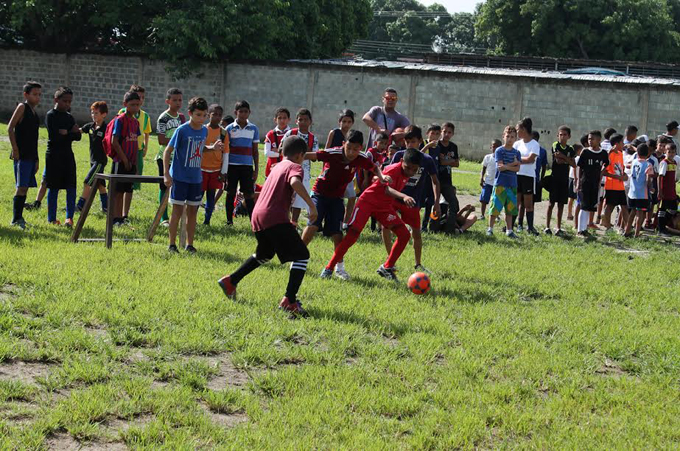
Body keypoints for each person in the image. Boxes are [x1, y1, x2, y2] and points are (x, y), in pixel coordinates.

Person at [217, 136, 317, 318]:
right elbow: (295, 182)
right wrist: (311, 205)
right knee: (302, 255)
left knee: (265, 254)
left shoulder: (277, 166)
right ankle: (290, 300)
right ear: (300, 155)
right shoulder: (295, 167)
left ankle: (231, 281)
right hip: (273, 217)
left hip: (258, 216)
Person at [323, 148, 422, 282]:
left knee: (404, 235)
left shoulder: (408, 173)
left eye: (414, 169)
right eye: (408, 168)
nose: (410, 172)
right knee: (352, 235)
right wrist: (404, 196)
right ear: (401, 161)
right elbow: (386, 188)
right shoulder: (393, 169)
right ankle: (329, 268)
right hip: (367, 202)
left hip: (384, 207)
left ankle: (387, 267)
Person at [302, 130, 380, 281]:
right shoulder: (333, 153)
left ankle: (339, 268)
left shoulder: (361, 158)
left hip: (337, 198)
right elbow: (308, 155)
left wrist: (382, 177)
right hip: (319, 194)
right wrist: (289, 159)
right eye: (348, 148)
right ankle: (297, 257)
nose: (351, 152)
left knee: (338, 234)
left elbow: (375, 167)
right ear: (343, 144)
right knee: (313, 225)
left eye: (355, 149)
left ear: (361, 148)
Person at [164, 97, 218, 253]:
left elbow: (200, 148)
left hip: (195, 178)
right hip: (180, 178)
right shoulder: (182, 130)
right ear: (190, 113)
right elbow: (168, 151)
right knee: (177, 210)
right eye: (198, 115)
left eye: (204, 115)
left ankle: (189, 244)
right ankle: (172, 244)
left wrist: (212, 147)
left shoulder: (204, 130)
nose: (201, 118)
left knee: (193, 211)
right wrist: (166, 174)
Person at [386, 125, 440, 273]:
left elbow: (435, 181)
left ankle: (418, 264)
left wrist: (436, 202)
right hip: (396, 199)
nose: (410, 145)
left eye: (414, 142)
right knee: (386, 227)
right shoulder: (399, 156)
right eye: (407, 142)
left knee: (416, 233)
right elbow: (388, 175)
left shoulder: (427, 160)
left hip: (413, 202)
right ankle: (390, 261)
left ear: (420, 141)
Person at [44, 87, 82, 226]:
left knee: (71, 187)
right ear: (56, 100)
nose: (67, 104)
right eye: (64, 101)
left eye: (69, 102)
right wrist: (69, 134)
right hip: (53, 155)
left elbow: (78, 136)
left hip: (68, 155)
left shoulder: (69, 117)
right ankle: (52, 218)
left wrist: (67, 133)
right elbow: (55, 137)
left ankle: (69, 218)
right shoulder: (50, 115)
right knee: (53, 187)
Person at [8, 81, 42, 229]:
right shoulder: (22, 107)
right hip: (21, 155)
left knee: (26, 187)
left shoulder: (34, 113)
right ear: (26, 95)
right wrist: (15, 149)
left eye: (39, 95)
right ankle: (15, 219)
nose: (37, 97)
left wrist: (36, 159)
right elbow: (10, 128)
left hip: (31, 155)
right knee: (21, 187)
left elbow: (34, 138)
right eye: (34, 94)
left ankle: (20, 217)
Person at [117, 85, 152, 223]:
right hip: (124, 151)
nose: (140, 100)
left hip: (136, 152)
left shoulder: (145, 116)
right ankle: (116, 215)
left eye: (142, 98)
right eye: (137, 97)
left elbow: (147, 132)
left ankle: (125, 214)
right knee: (119, 184)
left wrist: (145, 148)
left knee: (131, 184)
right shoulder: (122, 113)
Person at [224, 100, 259, 225]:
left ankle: (253, 221)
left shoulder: (253, 129)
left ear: (249, 112)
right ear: (235, 112)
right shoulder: (229, 128)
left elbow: (255, 151)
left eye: (246, 112)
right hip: (232, 166)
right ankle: (229, 221)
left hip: (247, 167)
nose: (243, 114)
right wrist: (224, 170)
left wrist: (256, 170)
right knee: (231, 192)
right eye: (241, 112)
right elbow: (226, 151)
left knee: (249, 194)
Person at [110, 91, 141, 227]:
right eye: (132, 105)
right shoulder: (120, 120)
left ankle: (121, 218)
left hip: (131, 162)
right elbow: (114, 142)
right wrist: (124, 159)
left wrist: (133, 162)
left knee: (126, 189)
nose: (135, 107)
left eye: (137, 105)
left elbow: (134, 141)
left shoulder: (135, 122)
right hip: (120, 161)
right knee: (117, 191)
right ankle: (114, 218)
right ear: (125, 104)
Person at [156, 88, 186, 226]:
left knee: (177, 187)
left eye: (180, 100)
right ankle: (163, 217)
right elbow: (161, 140)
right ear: (167, 101)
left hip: (178, 158)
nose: (178, 103)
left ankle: (176, 216)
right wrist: (177, 142)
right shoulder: (163, 118)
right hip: (165, 157)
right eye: (174, 100)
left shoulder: (181, 118)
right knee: (164, 186)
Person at [283, 109, 318, 226]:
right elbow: (281, 148)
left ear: (310, 122)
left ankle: (294, 222)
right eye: (300, 119)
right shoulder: (290, 134)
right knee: (287, 195)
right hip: (288, 169)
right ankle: (284, 220)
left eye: (306, 120)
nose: (303, 122)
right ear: (296, 121)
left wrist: (304, 152)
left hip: (304, 172)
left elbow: (314, 157)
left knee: (298, 198)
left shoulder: (313, 138)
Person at [487, 126, 521, 238]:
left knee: (510, 209)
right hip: (500, 184)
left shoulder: (517, 152)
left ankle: (509, 230)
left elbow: (517, 169)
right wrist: (512, 164)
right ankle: (490, 229)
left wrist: (509, 166)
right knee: (495, 207)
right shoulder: (499, 150)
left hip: (512, 184)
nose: (510, 139)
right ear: (503, 136)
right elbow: (500, 167)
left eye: (512, 137)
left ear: (515, 138)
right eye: (508, 136)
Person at [76, 101, 109, 214]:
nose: (93, 115)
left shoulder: (106, 128)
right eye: (92, 113)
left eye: (96, 113)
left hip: (99, 162)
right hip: (92, 160)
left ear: (104, 114)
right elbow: (79, 131)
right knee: (100, 185)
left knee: (87, 182)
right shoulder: (90, 126)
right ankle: (106, 208)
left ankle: (80, 206)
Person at [575, 131, 609, 239]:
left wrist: (601, 173)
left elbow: (606, 164)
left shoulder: (603, 153)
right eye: (589, 139)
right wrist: (578, 182)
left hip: (595, 184)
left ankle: (585, 229)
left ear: (599, 140)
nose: (590, 141)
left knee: (590, 207)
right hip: (585, 183)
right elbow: (580, 167)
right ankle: (580, 230)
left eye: (592, 139)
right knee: (583, 207)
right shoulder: (585, 152)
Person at [201, 104, 229, 225]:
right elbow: (198, 148)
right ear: (208, 115)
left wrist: (223, 172)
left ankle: (207, 220)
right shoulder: (202, 130)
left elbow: (226, 153)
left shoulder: (223, 133)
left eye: (219, 115)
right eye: (214, 114)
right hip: (201, 169)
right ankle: (192, 217)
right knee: (198, 195)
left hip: (216, 169)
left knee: (211, 196)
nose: (217, 117)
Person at [545, 126, 576, 236]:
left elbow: (573, 164)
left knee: (561, 204)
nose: (562, 137)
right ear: (557, 135)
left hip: (564, 179)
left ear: (569, 136)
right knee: (551, 203)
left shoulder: (570, 149)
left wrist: (564, 158)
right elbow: (557, 160)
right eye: (560, 134)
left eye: (565, 135)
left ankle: (558, 227)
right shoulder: (555, 145)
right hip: (555, 178)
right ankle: (547, 226)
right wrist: (567, 159)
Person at [513, 117, 540, 235]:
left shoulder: (534, 144)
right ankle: (512, 226)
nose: (516, 132)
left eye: (518, 129)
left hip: (528, 177)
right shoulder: (517, 144)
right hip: (517, 175)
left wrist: (517, 160)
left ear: (524, 129)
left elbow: (530, 159)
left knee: (528, 204)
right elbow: (511, 156)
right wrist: (517, 161)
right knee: (515, 202)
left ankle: (530, 227)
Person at [624, 143, 654, 237]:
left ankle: (627, 231)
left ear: (637, 153)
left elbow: (627, 165)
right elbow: (648, 180)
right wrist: (651, 187)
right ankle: (636, 234)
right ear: (648, 153)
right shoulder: (648, 165)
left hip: (632, 193)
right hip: (642, 193)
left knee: (632, 212)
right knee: (640, 213)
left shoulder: (634, 162)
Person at [430, 122, 460, 217]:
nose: (447, 134)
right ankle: (432, 223)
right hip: (435, 179)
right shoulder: (436, 145)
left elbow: (457, 163)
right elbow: (441, 162)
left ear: (453, 134)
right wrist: (450, 161)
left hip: (447, 180)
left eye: (449, 132)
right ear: (441, 132)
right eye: (444, 131)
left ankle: (449, 225)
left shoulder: (453, 147)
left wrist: (445, 160)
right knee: (433, 202)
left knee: (453, 202)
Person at [601, 134, 629, 230]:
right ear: (616, 144)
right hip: (611, 186)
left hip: (620, 186)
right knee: (609, 207)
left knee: (624, 207)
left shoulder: (621, 154)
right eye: (622, 142)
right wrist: (617, 177)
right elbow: (604, 172)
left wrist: (624, 175)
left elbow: (621, 168)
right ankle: (608, 227)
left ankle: (627, 228)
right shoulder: (611, 154)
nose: (624, 144)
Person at [657, 142, 678, 235]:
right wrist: (660, 191)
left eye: (673, 152)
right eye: (669, 152)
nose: (671, 154)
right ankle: (660, 229)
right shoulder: (664, 163)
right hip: (664, 191)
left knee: (673, 208)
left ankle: (663, 225)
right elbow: (660, 177)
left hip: (671, 190)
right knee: (662, 209)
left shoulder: (674, 162)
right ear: (665, 152)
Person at [264, 107, 291, 178]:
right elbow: (267, 153)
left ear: (289, 119)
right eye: (279, 118)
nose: (282, 120)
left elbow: (292, 154)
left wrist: (277, 151)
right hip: (271, 168)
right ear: (275, 119)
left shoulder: (292, 134)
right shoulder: (270, 134)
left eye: (284, 118)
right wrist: (282, 153)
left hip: (286, 169)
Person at [479, 139, 501, 220]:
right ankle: (482, 215)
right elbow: (483, 168)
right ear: (490, 147)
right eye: (493, 146)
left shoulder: (501, 159)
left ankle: (496, 216)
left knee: (496, 201)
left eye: (497, 147)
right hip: (487, 182)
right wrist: (481, 178)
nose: (495, 148)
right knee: (484, 199)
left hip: (497, 183)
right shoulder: (487, 157)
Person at [531, 131, 548, 206]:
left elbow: (544, 166)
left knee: (533, 202)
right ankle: (520, 217)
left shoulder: (542, 151)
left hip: (536, 179)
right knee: (522, 202)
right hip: (526, 178)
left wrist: (542, 179)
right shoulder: (527, 149)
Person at [567, 143, 583, 222]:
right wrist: (576, 179)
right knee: (574, 198)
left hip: (572, 177)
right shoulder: (578, 158)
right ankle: (571, 213)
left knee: (571, 198)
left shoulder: (575, 158)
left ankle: (570, 213)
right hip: (574, 178)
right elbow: (574, 168)